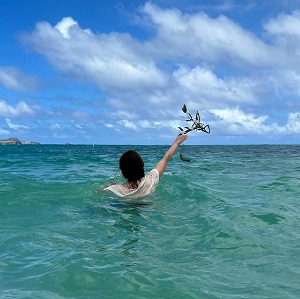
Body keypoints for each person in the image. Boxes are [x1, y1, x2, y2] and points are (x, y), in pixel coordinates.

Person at [104, 134, 188, 198]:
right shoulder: (151, 180)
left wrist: (109, 185)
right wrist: (177, 142)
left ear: (122, 171)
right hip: (147, 209)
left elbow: (100, 191)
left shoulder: (114, 190)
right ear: (142, 165)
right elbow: (166, 158)